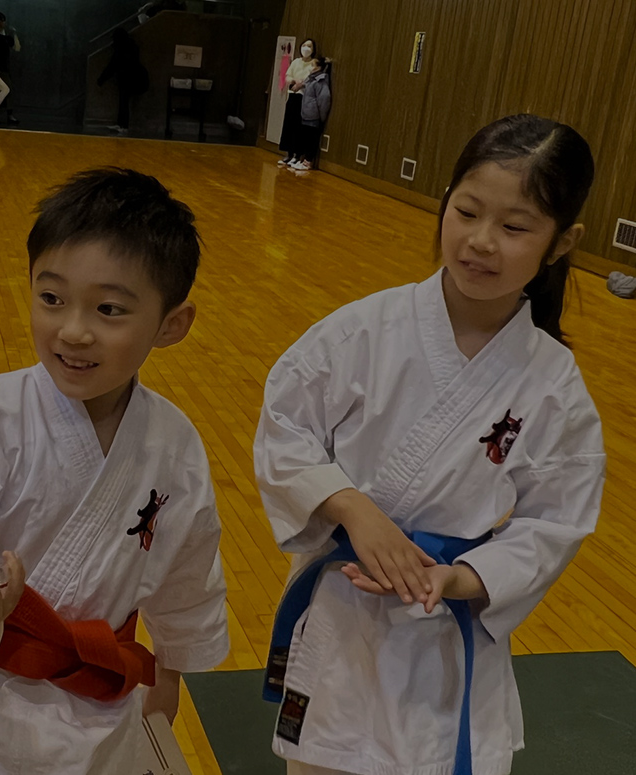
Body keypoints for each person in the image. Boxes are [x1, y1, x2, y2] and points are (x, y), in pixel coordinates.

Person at [254, 114, 605, 775]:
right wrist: (355, 510)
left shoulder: (554, 385)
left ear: (563, 241)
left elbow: (556, 520)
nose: (480, 241)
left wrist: (462, 578)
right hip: (342, 617)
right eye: (466, 211)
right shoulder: (363, 331)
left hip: (442, 625)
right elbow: (285, 426)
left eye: (515, 226)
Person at [0, 168, 229, 775]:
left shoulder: (173, 445)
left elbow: (187, 572)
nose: (72, 330)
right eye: (51, 298)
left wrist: (169, 672)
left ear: (171, 324)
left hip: (102, 705)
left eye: (109, 309)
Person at [97, 27, 150, 135]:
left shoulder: (120, 49)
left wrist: (101, 79)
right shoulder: (132, 47)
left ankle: (123, 125)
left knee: (123, 102)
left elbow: (112, 66)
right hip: (135, 78)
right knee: (123, 102)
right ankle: (121, 125)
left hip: (128, 78)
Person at [277, 38, 316, 167]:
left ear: (313, 49)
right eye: (304, 45)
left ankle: (298, 156)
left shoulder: (313, 63)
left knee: (300, 127)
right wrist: (293, 81)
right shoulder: (296, 62)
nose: (306, 48)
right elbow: (287, 76)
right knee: (289, 124)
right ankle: (289, 154)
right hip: (293, 95)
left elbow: (312, 79)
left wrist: (302, 84)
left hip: (304, 97)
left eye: (309, 46)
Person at [288, 56, 331, 171]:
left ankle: (308, 161)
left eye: (313, 65)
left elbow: (324, 99)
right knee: (305, 137)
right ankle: (303, 159)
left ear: (319, 68)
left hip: (314, 114)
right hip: (306, 113)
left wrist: (322, 116)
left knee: (312, 139)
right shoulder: (310, 79)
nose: (311, 67)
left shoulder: (320, 81)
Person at [0, 11, 22, 125]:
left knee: (6, 90)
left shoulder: (5, 36)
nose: (2, 24)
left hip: (4, 68)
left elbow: (17, 48)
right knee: (3, 90)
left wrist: (14, 34)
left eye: (3, 21)